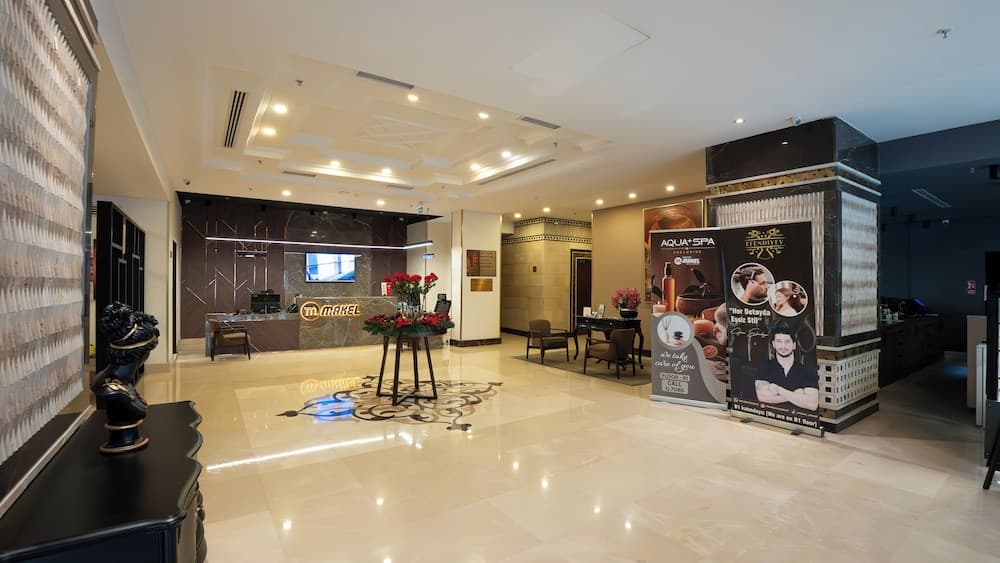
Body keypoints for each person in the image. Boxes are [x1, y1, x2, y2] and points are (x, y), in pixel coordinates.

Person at [754, 324, 818, 411]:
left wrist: (779, 390)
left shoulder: (807, 371)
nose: (783, 346)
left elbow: (812, 404)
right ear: (774, 344)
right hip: (770, 416)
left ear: (794, 345)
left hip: (798, 418)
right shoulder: (765, 366)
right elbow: (762, 397)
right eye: (779, 341)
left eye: (787, 342)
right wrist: (796, 395)